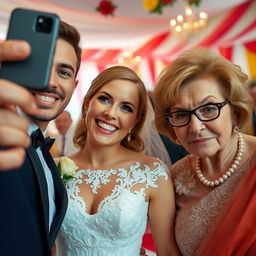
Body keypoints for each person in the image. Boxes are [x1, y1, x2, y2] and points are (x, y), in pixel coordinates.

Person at [55, 66, 180, 256]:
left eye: (126, 108)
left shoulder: (152, 173)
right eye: (105, 99)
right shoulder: (54, 169)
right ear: (87, 103)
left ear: (135, 121)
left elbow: (168, 251)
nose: (111, 113)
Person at [154, 47, 256, 256]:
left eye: (208, 109)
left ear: (235, 113)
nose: (195, 126)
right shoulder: (174, 179)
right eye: (181, 114)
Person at [0, 20, 81, 256]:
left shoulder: (44, 153)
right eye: (40, 67)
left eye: (63, 72)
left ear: (74, 86)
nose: (50, 82)